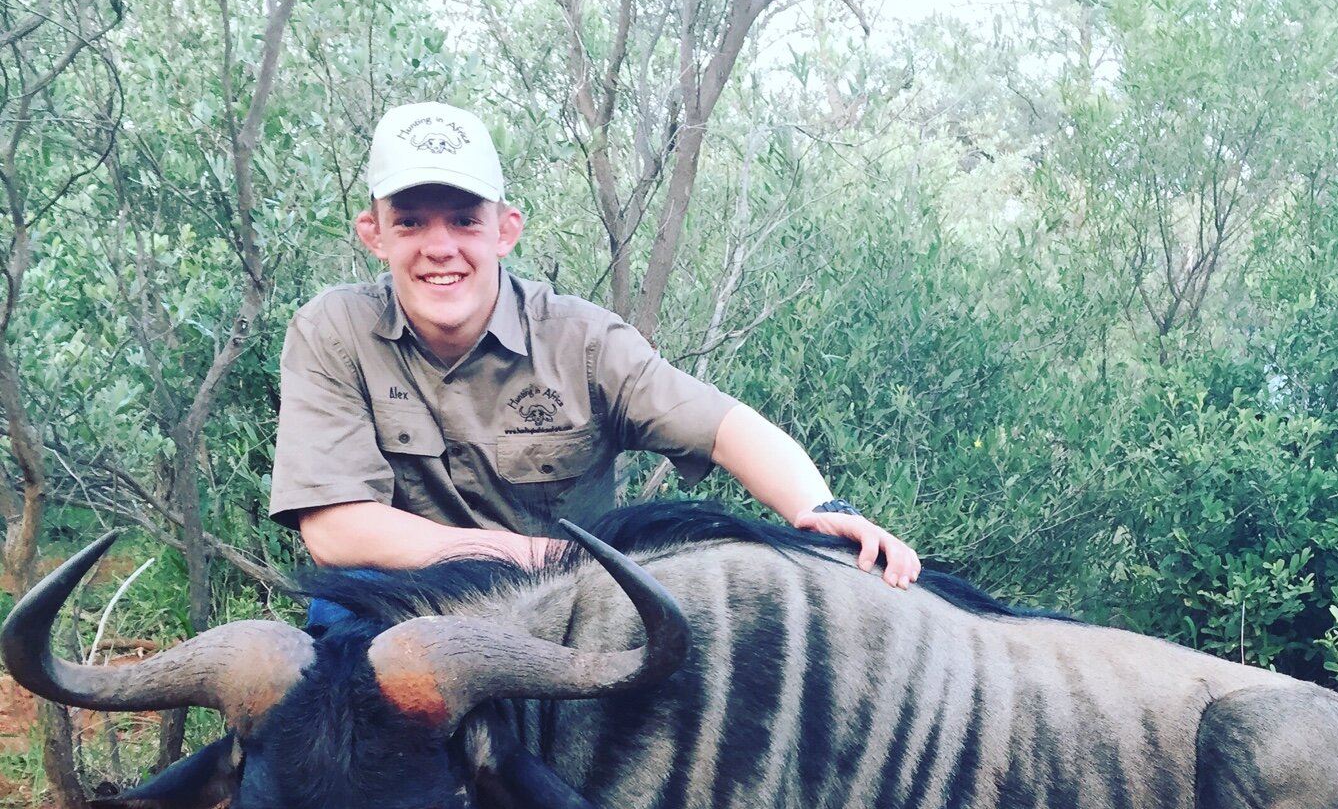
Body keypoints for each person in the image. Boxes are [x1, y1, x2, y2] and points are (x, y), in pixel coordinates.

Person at [270, 102, 920, 590]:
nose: (440, 246)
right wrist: (554, 560)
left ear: (505, 230)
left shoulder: (582, 339)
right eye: (410, 221)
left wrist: (824, 510)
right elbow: (336, 531)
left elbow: (726, 428)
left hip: (561, 616)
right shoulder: (332, 331)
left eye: (465, 219)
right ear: (374, 234)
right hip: (399, 615)